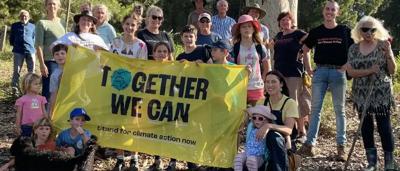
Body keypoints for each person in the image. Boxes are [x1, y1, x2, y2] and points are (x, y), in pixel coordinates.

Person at [298, 0, 354, 161]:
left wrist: (348, 64)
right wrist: (308, 69)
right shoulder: (317, 31)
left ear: (338, 13)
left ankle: (341, 147)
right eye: (327, 9)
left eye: (333, 10)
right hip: (320, 72)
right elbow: (305, 49)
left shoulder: (344, 31)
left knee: (340, 110)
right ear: (323, 12)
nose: (329, 12)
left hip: (338, 72)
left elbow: (356, 49)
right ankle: (310, 145)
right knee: (315, 109)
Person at [345, 16, 397, 171]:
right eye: (365, 29)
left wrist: (388, 53)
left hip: (382, 92)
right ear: (359, 31)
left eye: (372, 29)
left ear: (377, 30)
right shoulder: (353, 49)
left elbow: (393, 70)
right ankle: (372, 163)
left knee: (384, 127)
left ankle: (389, 162)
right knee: (366, 127)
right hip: (361, 94)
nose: (368, 32)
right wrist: (369, 71)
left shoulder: (383, 45)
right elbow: (351, 73)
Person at [110, 14, 147, 171]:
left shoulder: (141, 46)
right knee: (118, 124)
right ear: (122, 25)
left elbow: (142, 68)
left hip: (134, 90)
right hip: (117, 89)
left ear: (137, 27)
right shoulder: (115, 42)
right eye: (127, 24)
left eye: (133, 25)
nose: (129, 27)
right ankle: (119, 159)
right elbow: (109, 61)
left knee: (134, 124)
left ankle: (134, 159)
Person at [271, 12, 310, 143]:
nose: (285, 22)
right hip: (279, 72)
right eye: (282, 20)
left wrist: (302, 53)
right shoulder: (278, 36)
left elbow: (311, 41)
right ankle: (289, 131)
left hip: (294, 72)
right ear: (279, 23)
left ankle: (301, 131)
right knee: (282, 101)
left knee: (294, 101)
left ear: (291, 21)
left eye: (287, 20)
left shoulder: (298, 33)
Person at [256, 71, 298, 171]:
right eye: (267, 82)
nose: (270, 85)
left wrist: (269, 126)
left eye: (273, 82)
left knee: (273, 137)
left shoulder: (289, 103)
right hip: (262, 141)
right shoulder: (261, 102)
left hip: (283, 142)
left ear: (281, 84)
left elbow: (288, 130)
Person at [231, 15, 271, 106]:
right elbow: (231, 67)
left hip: (257, 87)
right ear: (239, 30)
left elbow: (267, 68)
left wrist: (263, 83)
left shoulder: (260, 47)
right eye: (244, 27)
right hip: (239, 87)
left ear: (253, 29)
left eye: (249, 26)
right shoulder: (234, 48)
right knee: (241, 117)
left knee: (258, 117)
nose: (247, 29)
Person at [35, 0, 66, 102]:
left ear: (58, 6)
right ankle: (46, 115)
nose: (52, 6)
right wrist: (42, 64)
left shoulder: (63, 22)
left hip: (64, 62)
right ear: (46, 6)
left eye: (54, 4)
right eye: (49, 4)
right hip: (50, 62)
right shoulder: (42, 23)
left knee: (61, 90)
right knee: (49, 90)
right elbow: (38, 45)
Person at [234, 105, 276, 171]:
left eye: (260, 118)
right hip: (247, 152)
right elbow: (248, 114)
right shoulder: (251, 127)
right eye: (254, 118)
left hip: (259, 156)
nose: (257, 120)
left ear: (267, 121)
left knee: (251, 161)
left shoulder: (267, 130)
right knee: (238, 158)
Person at [9, 10, 36, 95]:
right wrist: (16, 45)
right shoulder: (14, 25)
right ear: (19, 17)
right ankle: (15, 90)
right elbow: (11, 38)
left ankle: (30, 89)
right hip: (18, 51)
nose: (24, 17)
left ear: (29, 17)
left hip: (30, 51)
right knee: (16, 71)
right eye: (22, 16)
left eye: (26, 16)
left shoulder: (33, 26)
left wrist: (32, 46)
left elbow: (34, 38)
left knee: (31, 71)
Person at [15, 73, 47, 137]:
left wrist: (48, 123)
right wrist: (18, 127)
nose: (39, 86)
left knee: (38, 144)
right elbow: (19, 114)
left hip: (40, 127)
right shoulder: (21, 100)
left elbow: (44, 112)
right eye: (36, 84)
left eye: (39, 84)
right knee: (27, 144)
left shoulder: (41, 98)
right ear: (27, 85)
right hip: (26, 127)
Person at [48, 44, 68, 116]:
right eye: (57, 54)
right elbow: (54, 94)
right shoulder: (54, 75)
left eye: (62, 53)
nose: (60, 56)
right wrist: (51, 112)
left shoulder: (74, 70)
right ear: (53, 57)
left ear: (67, 55)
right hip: (62, 104)